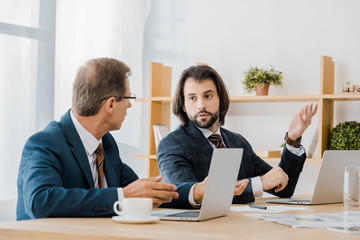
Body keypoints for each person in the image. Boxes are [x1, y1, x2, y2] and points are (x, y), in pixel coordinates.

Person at [16, 58, 249, 220]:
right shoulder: (44, 143)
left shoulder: (106, 145)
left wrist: (196, 191)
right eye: (128, 97)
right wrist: (123, 195)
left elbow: (147, 190)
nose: (129, 104)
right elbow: (40, 202)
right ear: (110, 104)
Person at [157, 65, 318, 203]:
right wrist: (259, 183)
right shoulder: (171, 144)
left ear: (221, 99)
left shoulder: (237, 141)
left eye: (208, 96)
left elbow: (283, 188)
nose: (201, 105)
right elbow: (186, 195)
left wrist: (292, 139)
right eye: (192, 98)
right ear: (183, 105)